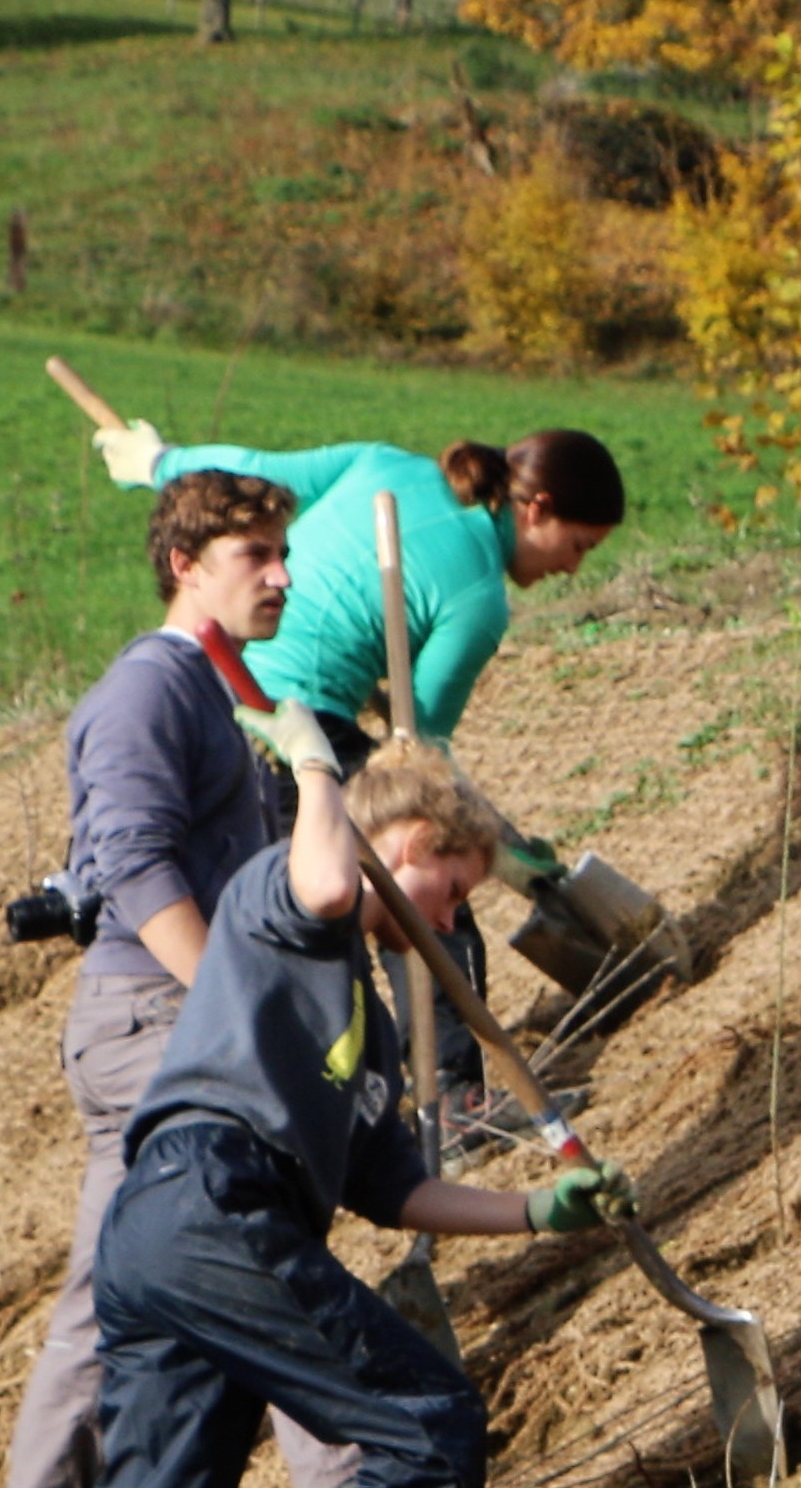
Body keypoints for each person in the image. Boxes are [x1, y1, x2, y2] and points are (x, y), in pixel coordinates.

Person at [46, 733, 628, 1488]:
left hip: (183, 1238)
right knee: (425, 1416)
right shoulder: (281, 906)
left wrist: (533, 1211)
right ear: (398, 847)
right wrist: (318, 761)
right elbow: (324, 876)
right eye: (452, 888)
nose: (455, 921)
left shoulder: (357, 1011)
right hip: (211, 1202)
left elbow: (391, 1190)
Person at [0, 470, 356, 1488]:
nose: (283, 574)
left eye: (282, 550)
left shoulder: (224, 688)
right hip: (156, 1022)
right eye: (256, 553)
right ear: (186, 564)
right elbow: (136, 868)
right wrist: (231, 1003)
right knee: (256, 1234)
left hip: (158, 1021)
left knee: (111, 1291)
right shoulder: (148, 692)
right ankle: (349, 1476)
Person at [81, 420, 627, 1117]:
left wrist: (160, 461)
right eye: (578, 545)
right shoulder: (479, 599)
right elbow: (418, 751)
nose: (574, 567)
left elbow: (250, 466)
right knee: (422, 882)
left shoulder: (385, 462)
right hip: (298, 721)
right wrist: (502, 846)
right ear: (537, 508)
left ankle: (372, 1083)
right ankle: (452, 1095)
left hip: (228, 686)